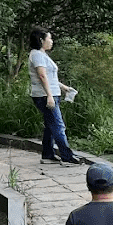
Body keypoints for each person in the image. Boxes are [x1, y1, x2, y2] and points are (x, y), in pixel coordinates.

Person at [27, 27, 79, 165]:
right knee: (58, 125)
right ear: (41, 40)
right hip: (44, 96)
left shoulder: (42, 55)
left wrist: (65, 88)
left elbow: (50, 77)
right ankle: (67, 157)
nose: (51, 41)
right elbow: (42, 76)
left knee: (50, 126)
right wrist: (49, 96)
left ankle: (48, 155)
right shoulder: (37, 55)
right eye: (49, 38)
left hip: (50, 94)